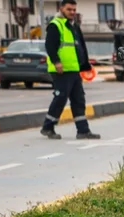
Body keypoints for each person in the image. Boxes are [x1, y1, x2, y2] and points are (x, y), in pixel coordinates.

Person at [41, 0, 99, 140]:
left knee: (78, 99)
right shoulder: (56, 25)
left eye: (74, 10)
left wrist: (85, 64)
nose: (72, 12)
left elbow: (80, 46)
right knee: (60, 98)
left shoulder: (73, 26)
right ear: (61, 9)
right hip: (61, 70)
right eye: (69, 9)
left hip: (73, 69)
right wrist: (56, 62)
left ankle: (83, 131)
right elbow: (50, 46)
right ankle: (48, 127)